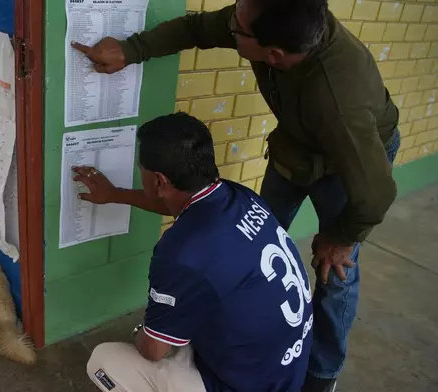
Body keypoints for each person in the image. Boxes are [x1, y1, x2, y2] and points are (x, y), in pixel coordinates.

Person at [72, 0, 401, 390]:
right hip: (296, 146)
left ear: (274, 54)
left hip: (355, 165)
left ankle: (321, 377)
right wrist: (132, 50)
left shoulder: (337, 102)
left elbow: (376, 193)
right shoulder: (238, 197)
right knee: (254, 249)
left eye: (239, 30)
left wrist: (342, 238)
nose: (230, 25)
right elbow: (195, 30)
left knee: (337, 273)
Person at [77, 112, 313, 392]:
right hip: (283, 372)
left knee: (104, 361)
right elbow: (177, 206)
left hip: (243, 384)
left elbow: (153, 350)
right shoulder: (237, 196)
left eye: (141, 168)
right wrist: (115, 194)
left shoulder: (181, 253)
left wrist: (142, 331)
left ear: (159, 181)